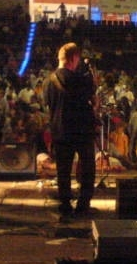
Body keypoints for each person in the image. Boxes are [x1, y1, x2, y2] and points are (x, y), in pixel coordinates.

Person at [43, 42, 97, 216]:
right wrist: (91, 76)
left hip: (60, 131)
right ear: (73, 58)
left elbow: (49, 105)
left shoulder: (48, 81)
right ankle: (83, 205)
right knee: (87, 168)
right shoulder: (79, 79)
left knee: (63, 170)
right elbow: (91, 92)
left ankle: (65, 204)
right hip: (81, 131)